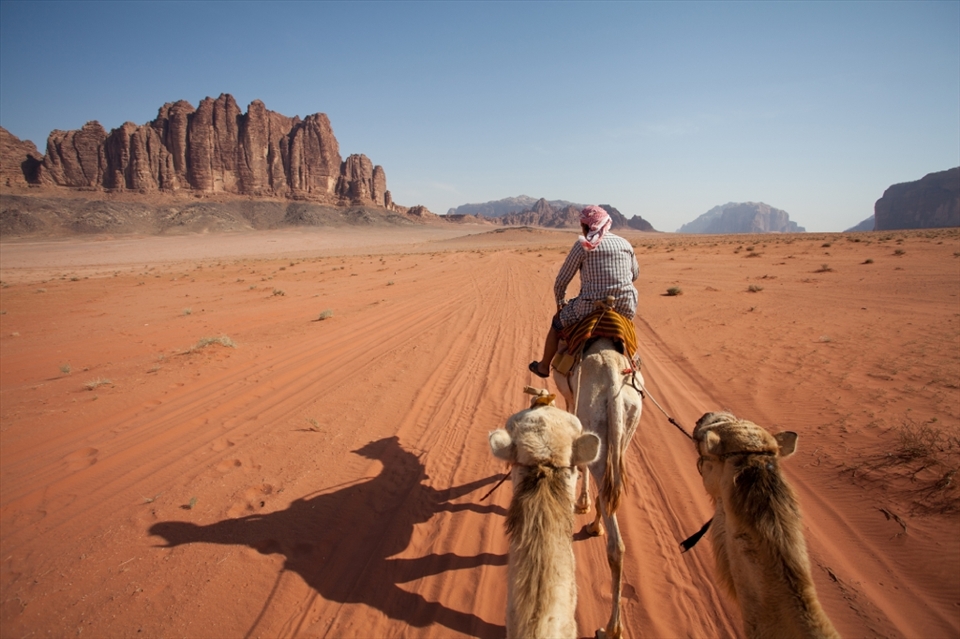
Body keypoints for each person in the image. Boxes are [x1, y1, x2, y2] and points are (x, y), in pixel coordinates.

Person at [529, 205, 639, 378]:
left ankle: (543, 366)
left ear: (586, 226)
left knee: (557, 324)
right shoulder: (625, 243)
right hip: (625, 306)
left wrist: (560, 304)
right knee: (628, 328)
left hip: (589, 307)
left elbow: (561, 281)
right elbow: (635, 275)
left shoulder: (584, 245)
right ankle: (633, 360)